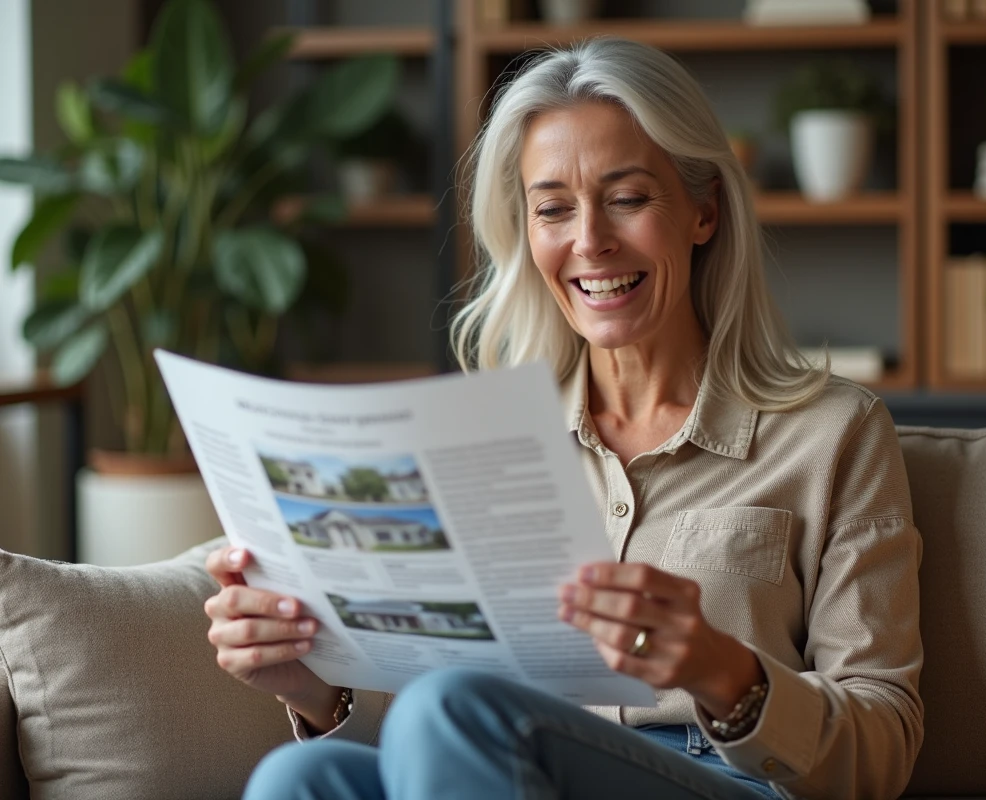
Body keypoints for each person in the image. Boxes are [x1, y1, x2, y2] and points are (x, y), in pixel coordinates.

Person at [205, 37, 923, 800]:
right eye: (554, 209)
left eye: (628, 198)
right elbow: (429, 740)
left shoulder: (834, 433)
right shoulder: (485, 439)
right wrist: (318, 691)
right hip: (505, 768)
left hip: (724, 779)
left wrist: (726, 672)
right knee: (301, 774)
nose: (590, 242)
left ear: (704, 210)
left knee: (452, 712)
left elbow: (885, 744)